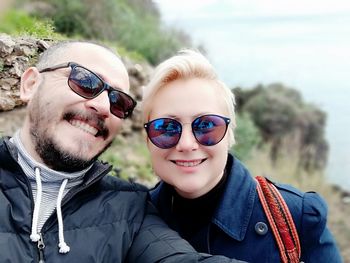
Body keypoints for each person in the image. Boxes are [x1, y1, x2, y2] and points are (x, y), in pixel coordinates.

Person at [0, 41, 246, 263]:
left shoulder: (131, 210)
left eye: (119, 101)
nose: (103, 106)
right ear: (30, 84)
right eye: (85, 82)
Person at [143, 49, 343, 262]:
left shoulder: (296, 218)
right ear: (147, 139)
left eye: (207, 125)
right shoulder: (132, 220)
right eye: (166, 127)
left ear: (230, 134)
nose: (186, 144)